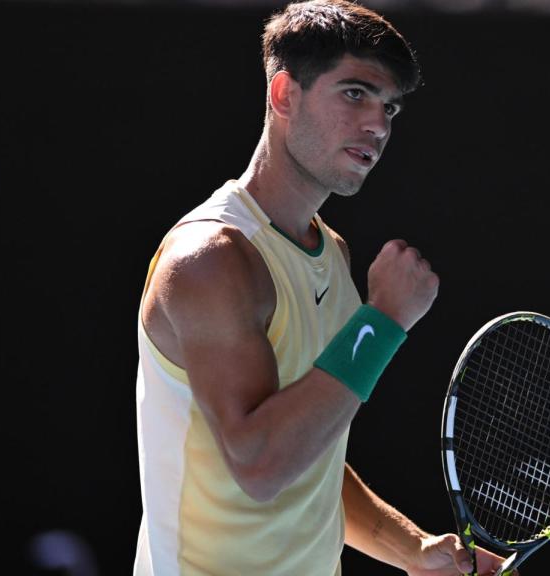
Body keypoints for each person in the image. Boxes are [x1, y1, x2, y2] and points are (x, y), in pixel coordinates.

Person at [133, 1, 512, 574]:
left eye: (389, 107)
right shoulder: (210, 260)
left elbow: (309, 454)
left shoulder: (330, 253)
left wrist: (412, 550)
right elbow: (261, 465)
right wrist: (382, 323)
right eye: (355, 94)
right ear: (284, 94)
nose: (378, 125)